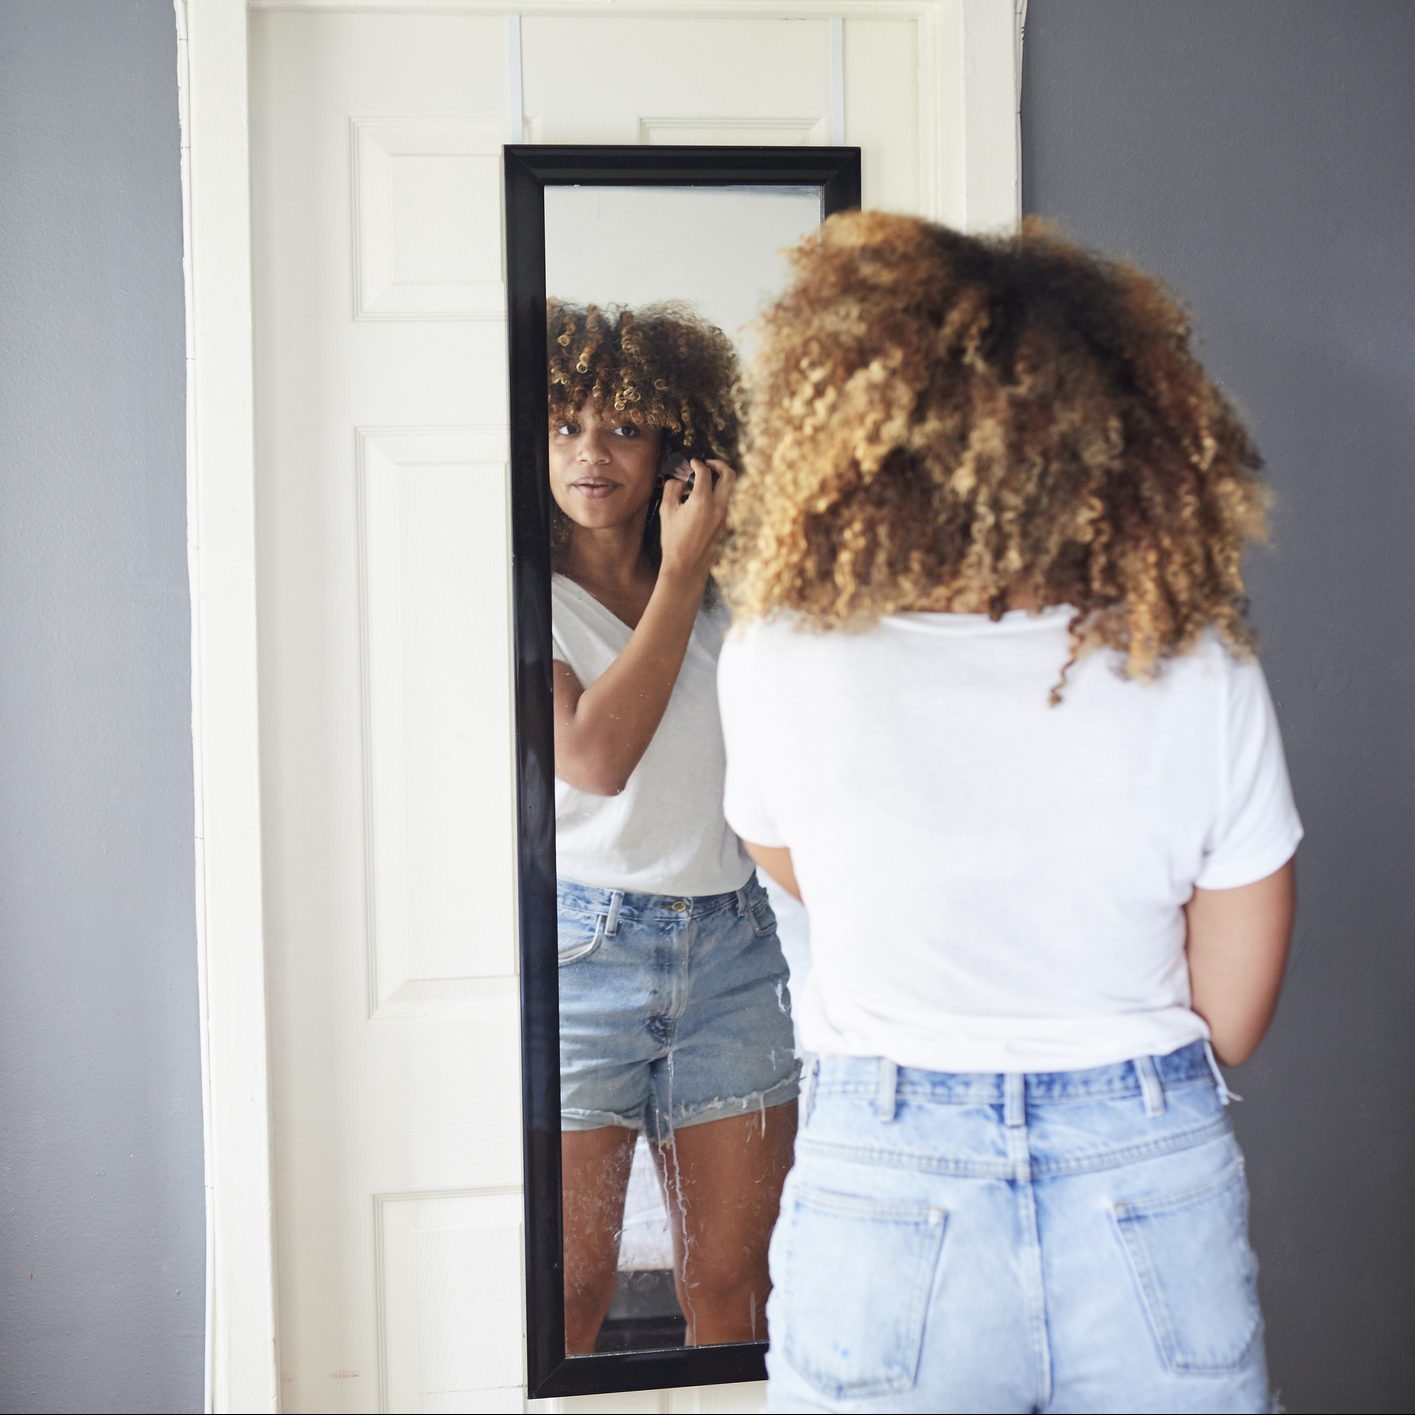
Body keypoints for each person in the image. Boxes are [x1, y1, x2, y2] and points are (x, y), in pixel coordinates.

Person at [716, 213, 1302, 1413]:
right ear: (1118, 440)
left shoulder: (778, 656)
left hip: (885, 1182)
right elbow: (1230, 1015)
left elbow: (797, 867)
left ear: (856, 437)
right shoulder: (1194, 666)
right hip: (1143, 1184)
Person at [546, 300, 799, 1354]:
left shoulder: (732, 599)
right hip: (578, 960)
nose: (589, 453)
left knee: (735, 1292)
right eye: (562, 424)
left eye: (622, 426)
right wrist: (683, 567)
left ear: (675, 447)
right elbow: (594, 757)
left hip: (732, 955)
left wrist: (704, 564)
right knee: (563, 1299)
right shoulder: (522, 600)